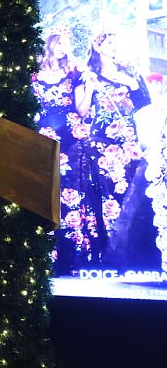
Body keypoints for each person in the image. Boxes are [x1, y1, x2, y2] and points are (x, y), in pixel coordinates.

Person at [73, 32, 151, 269]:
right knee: (110, 196)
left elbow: (144, 106)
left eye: (116, 42)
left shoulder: (130, 72)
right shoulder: (88, 75)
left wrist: (131, 83)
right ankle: (111, 253)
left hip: (129, 139)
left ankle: (137, 250)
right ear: (97, 47)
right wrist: (88, 88)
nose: (114, 46)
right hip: (102, 143)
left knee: (134, 192)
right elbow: (82, 111)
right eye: (109, 42)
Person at [32, 31, 86, 275]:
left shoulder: (73, 75)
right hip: (40, 140)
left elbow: (80, 109)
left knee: (69, 192)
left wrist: (90, 89)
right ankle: (45, 254)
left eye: (68, 44)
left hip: (68, 141)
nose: (65, 48)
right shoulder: (33, 75)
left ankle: (71, 255)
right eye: (61, 43)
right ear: (51, 44)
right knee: (43, 193)